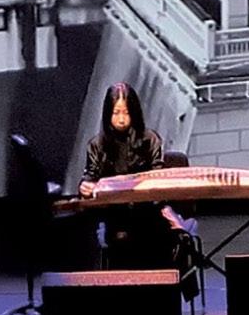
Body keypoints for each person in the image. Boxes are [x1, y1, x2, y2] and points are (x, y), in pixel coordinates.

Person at [78, 83, 191, 277]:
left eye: (126, 113)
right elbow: (90, 175)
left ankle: (166, 283)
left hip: (149, 212)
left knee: (165, 235)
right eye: (116, 113)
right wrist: (86, 186)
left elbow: (158, 176)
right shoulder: (97, 145)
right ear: (108, 114)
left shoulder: (150, 139)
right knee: (114, 236)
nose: (121, 119)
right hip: (116, 215)